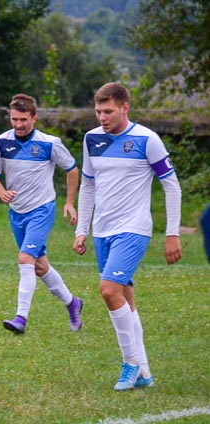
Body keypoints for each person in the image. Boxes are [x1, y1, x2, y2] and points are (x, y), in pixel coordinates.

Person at [73, 82, 182, 391]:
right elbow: (88, 185)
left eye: (108, 111)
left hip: (134, 228)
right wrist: (83, 229)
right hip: (103, 231)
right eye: (98, 112)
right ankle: (145, 372)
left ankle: (130, 363)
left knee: (108, 290)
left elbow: (171, 186)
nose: (102, 117)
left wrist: (172, 233)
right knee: (125, 297)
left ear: (124, 108)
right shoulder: (91, 138)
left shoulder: (147, 139)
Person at [0, 93, 83, 335]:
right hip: (17, 213)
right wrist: (1, 193)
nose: (18, 124)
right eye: (14, 119)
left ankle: (21, 318)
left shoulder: (50, 143)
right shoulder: (1, 142)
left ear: (34, 118)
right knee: (40, 267)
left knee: (25, 260)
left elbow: (72, 169)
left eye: (23, 120)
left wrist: (70, 202)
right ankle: (73, 303)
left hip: (42, 209)